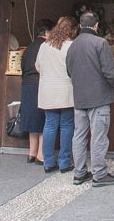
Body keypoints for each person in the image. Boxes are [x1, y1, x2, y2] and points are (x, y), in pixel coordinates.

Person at [67, 11, 114, 187]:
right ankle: (99, 173)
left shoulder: (72, 46)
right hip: (99, 97)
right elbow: (110, 72)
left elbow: (69, 71)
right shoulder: (100, 43)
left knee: (79, 136)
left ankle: (79, 172)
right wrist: (113, 85)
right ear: (96, 25)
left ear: (81, 26)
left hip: (79, 97)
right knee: (98, 137)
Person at [37, 16, 78, 174]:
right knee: (67, 126)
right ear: (72, 30)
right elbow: (74, 69)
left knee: (50, 125)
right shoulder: (71, 46)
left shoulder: (45, 45)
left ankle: (48, 162)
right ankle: (64, 162)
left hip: (47, 90)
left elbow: (38, 66)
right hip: (66, 89)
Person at [19, 19, 53, 164]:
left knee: (33, 121)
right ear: (47, 32)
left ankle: (31, 153)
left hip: (27, 86)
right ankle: (41, 155)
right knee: (44, 120)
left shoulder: (29, 48)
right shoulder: (46, 47)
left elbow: (23, 66)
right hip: (40, 85)